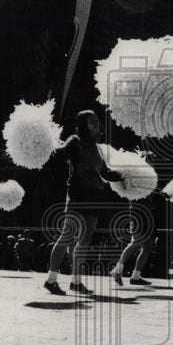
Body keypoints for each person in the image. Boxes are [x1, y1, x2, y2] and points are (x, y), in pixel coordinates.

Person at [42, 110, 124, 296]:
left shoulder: (97, 147)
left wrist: (122, 176)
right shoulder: (74, 141)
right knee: (67, 236)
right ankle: (51, 279)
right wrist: (46, 145)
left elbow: (103, 172)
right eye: (91, 122)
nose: (96, 124)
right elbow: (59, 154)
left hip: (95, 196)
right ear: (82, 124)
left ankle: (76, 282)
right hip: (78, 194)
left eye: (97, 121)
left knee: (85, 241)